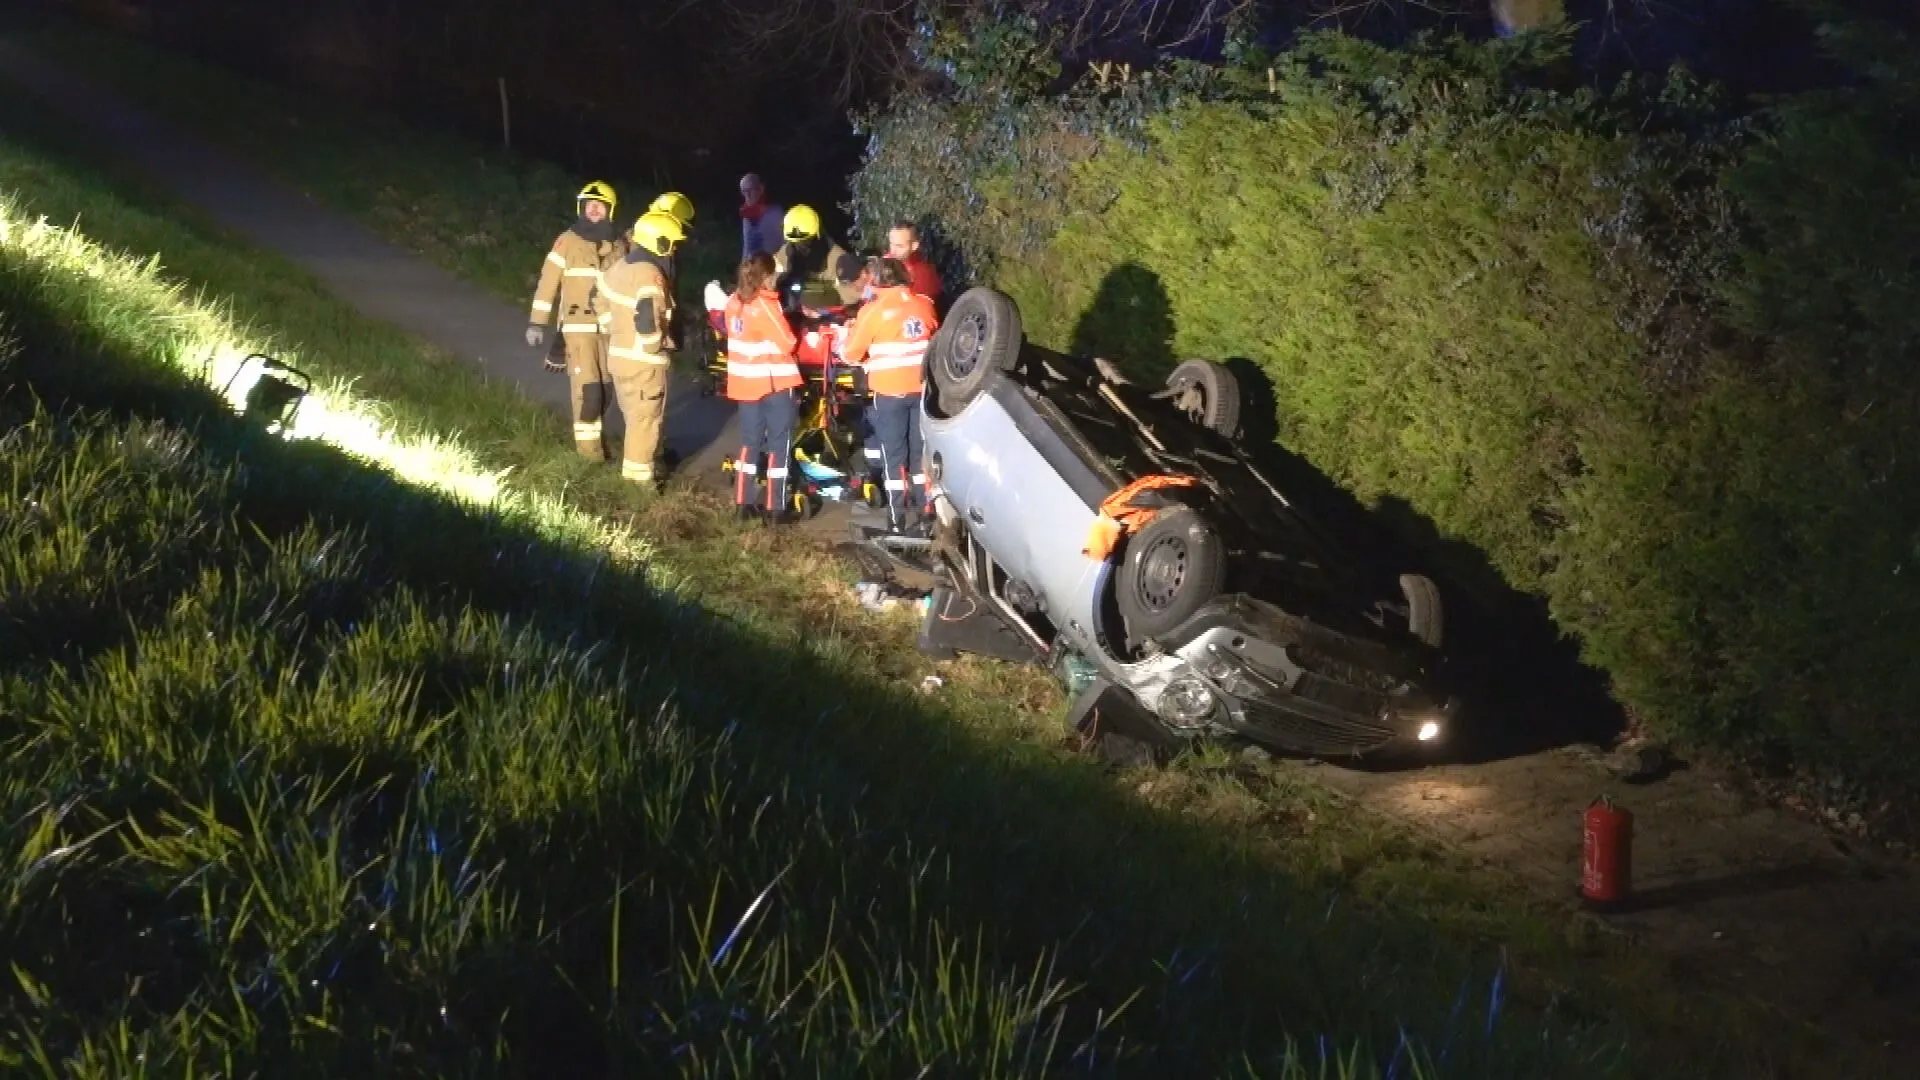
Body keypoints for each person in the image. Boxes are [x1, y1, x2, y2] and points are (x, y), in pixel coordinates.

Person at [527, 180, 629, 461]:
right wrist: (537, 323)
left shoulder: (617, 246)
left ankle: (598, 443)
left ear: (610, 210)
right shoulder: (567, 241)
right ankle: (589, 457)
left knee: (606, 391)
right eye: (589, 205)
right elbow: (548, 282)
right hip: (577, 330)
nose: (594, 210)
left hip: (608, 331)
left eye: (600, 206)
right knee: (589, 392)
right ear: (581, 208)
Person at [839, 257, 939, 535]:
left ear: (878, 282)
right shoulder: (924, 304)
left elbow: (850, 354)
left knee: (894, 457)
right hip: (922, 390)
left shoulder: (872, 311)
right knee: (920, 454)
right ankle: (927, 512)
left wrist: (846, 337)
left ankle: (897, 521)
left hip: (890, 393)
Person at [596, 210, 685, 490]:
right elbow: (647, 319)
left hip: (619, 358)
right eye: (672, 244)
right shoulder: (650, 275)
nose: (674, 250)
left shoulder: (619, 267)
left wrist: (614, 330)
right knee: (644, 422)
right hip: (644, 363)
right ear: (660, 242)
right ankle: (639, 484)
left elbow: (599, 301)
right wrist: (655, 345)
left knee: (634, 419)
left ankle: (640, 467)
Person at [722, 252, 803, 523]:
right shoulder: (765, 305)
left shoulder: (733, 303)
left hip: (745, 383)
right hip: (774, 382)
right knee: (779, 445)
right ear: (767, 277)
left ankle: (742, 503)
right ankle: (775, 508)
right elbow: (788, 342)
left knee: (749, 444)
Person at [770, 204, 856, 315]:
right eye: (795, 241)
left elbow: (852, 304)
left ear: (817, 234)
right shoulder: (784, 255)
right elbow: (769, 286)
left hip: (829, 319)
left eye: (805, 240)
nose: (800, 245)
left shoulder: (838, 260)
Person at [886, 221, 944, 305]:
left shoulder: (924, 274)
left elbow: (919, 307)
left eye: (899, 246)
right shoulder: (888, 259)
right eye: (891, 244)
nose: (893, 250)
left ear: (914, 246)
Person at [738, 173, 785, 260]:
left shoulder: (774, 213)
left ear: (761, 189)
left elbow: (782, 244)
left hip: (772, 263)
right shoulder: (746, 215)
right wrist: (744, 264)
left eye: (750, 190)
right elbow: (747, 247)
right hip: (753, 264)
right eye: (744, 191)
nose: (747, 195)